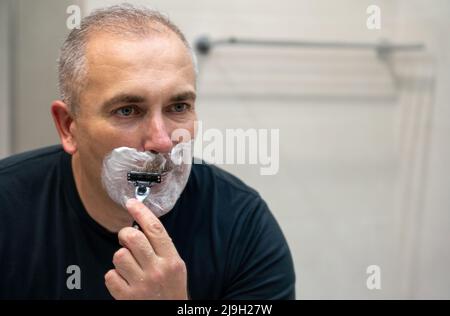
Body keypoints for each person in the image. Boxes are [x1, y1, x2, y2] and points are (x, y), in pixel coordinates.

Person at [0, 4, 295, 300]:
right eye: (127, 110)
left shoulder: (241, 226)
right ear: (68, 127)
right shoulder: (8, 207)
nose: (163, 141)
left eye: (178, 107)